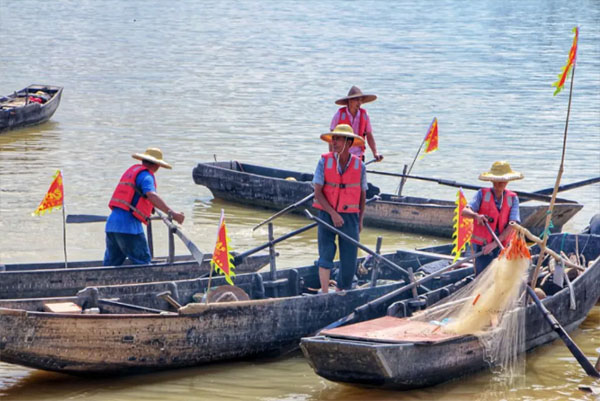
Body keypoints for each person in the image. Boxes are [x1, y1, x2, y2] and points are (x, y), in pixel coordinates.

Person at [103, 148, 185, 266]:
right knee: (143, 263)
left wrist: (148, 207)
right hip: (129, 228)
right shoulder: (146, 176)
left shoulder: (133, 172)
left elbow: (134, 197)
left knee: (111, 265)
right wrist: (173, 213)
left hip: (112, 226)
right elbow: (151, 195)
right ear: (157, 165)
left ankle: (101, 284)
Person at [313, 124, 368, 293]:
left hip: (350, 216)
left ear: (349, 142)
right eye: (333, 138)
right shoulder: (324, 161)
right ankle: (324, 292)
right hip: (326, 212)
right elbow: (318, 192)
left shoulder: (360, 166)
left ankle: (340, 290)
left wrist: (360, 220)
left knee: (350, 259)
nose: (334, 142)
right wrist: (332, 213)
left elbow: (362, 196)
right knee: (326, 253)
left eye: (338, 139)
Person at [462, 161, 523, 275]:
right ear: (491, 180)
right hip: (483, 248)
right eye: (496, 180)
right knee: (482, 277)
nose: (498, 183)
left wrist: (495, 243)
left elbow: (513, 225)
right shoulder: (482, 194)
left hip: (503, 245)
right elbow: (465, 211)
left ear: (507, 181)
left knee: (502, 277)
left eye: (502, 180)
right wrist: (476, 216)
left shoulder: (513, 198)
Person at [330, 86, 383, 162]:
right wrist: (332, 155)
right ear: (350, 101)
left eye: (361, 100)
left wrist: (375, 153)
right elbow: (331, 136)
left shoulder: (364, 115)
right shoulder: (339, 114)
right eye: (357, 100)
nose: (360, 103)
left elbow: (369, 135)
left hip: (358, 155)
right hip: (341, 155)